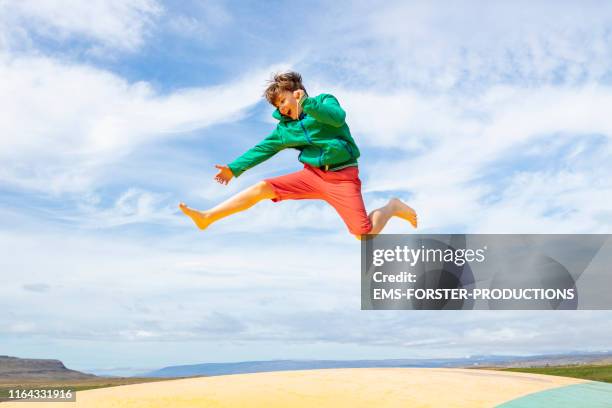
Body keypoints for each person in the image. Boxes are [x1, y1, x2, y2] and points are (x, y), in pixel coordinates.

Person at [179, 71, 417, 239]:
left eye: (283, 100)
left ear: (297, 93)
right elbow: (262, 149)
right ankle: (208, 217)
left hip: (343, 177)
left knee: (363, 235)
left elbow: (337, 118)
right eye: (277, 106)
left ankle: (393, 207)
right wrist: (233, 168)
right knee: (262, 188)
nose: (281, 107)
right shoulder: (285, 129)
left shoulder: (323, 101)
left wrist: (310, 105)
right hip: (312, 175)